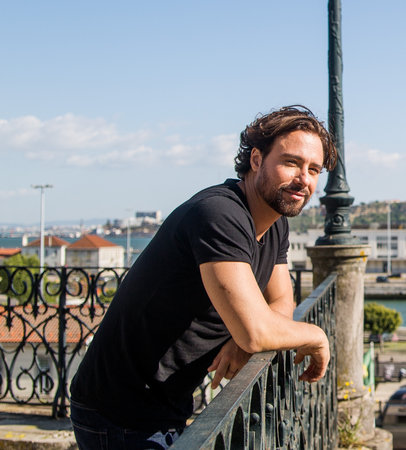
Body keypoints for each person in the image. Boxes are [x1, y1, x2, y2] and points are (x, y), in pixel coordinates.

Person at [69, 106, 336, 450]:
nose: (304, 179)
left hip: (167, 402)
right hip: (118, 411)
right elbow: (257, 331)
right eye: (291, 163)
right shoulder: (220, 214)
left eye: (314, 169)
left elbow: (280, 301)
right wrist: (314, 335)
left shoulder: (275, 222)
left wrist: (246, 337)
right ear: (257, 159)